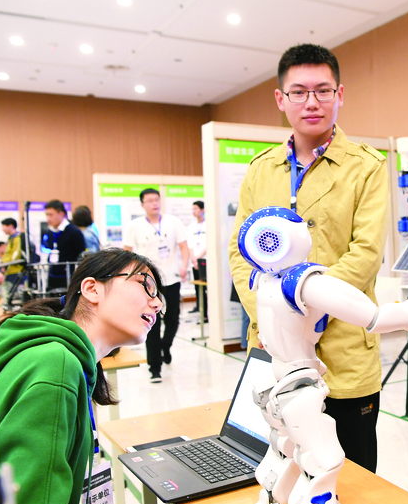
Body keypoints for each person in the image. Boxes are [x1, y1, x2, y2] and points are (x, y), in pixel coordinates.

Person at [228, 43, 389, 472]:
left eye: (322, 90)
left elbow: (366, 253)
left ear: (340, 95)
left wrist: (309, 311)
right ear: (281, 99)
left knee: (350, 476)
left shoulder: (367, 167)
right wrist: (270, 315)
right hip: (273, 349)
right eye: (298, 92)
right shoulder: (261, 169)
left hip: (342, 353)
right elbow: (239, 250)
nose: (311, 102)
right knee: (283, 469)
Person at [0, 248, 163, 504]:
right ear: (91, 289)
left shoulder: (60, 356)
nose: (157, 303)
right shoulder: (58, 366)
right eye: (145, 286)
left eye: (159, 297)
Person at [123, 188, 190, 383]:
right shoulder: (134, 226)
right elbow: (126, 252)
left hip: (172, 278)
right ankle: (155, 367)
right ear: (142, 204)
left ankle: (165, 346)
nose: (155, 203)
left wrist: (184, 265)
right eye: (150, 200)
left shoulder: (173, 222)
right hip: (148, 283)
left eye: (157, 200)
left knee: (173, 319)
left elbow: (184, 247)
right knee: (151, 323)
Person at [43, 199, 86, 291]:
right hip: (53, 274)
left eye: (51, 215)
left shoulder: (74, 232)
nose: (48, 218)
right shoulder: (50, 232)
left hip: (68, 277)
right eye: (46, 215)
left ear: (61, 214)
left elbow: (81, 253)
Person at [187, 201, 207, 317]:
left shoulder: (208, 224)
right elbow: (189, 244)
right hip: (194, 261)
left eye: (196, 209)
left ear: (202, 210)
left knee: (205, 286)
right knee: (197, 286)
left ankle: (205, 312)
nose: (194, 211)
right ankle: (199, 307)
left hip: (205, 260)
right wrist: (193, 259)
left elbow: (208, 244)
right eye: (193, 209)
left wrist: (199, 257)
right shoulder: (191, 226)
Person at [0, 218, 25, 284]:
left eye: (4, 226)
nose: (2, 229)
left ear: (11, 226)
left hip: (16, 271)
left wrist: (3, 262)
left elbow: (15, 255)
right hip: (9, 271)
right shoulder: (10, 239)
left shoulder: (17, 238)